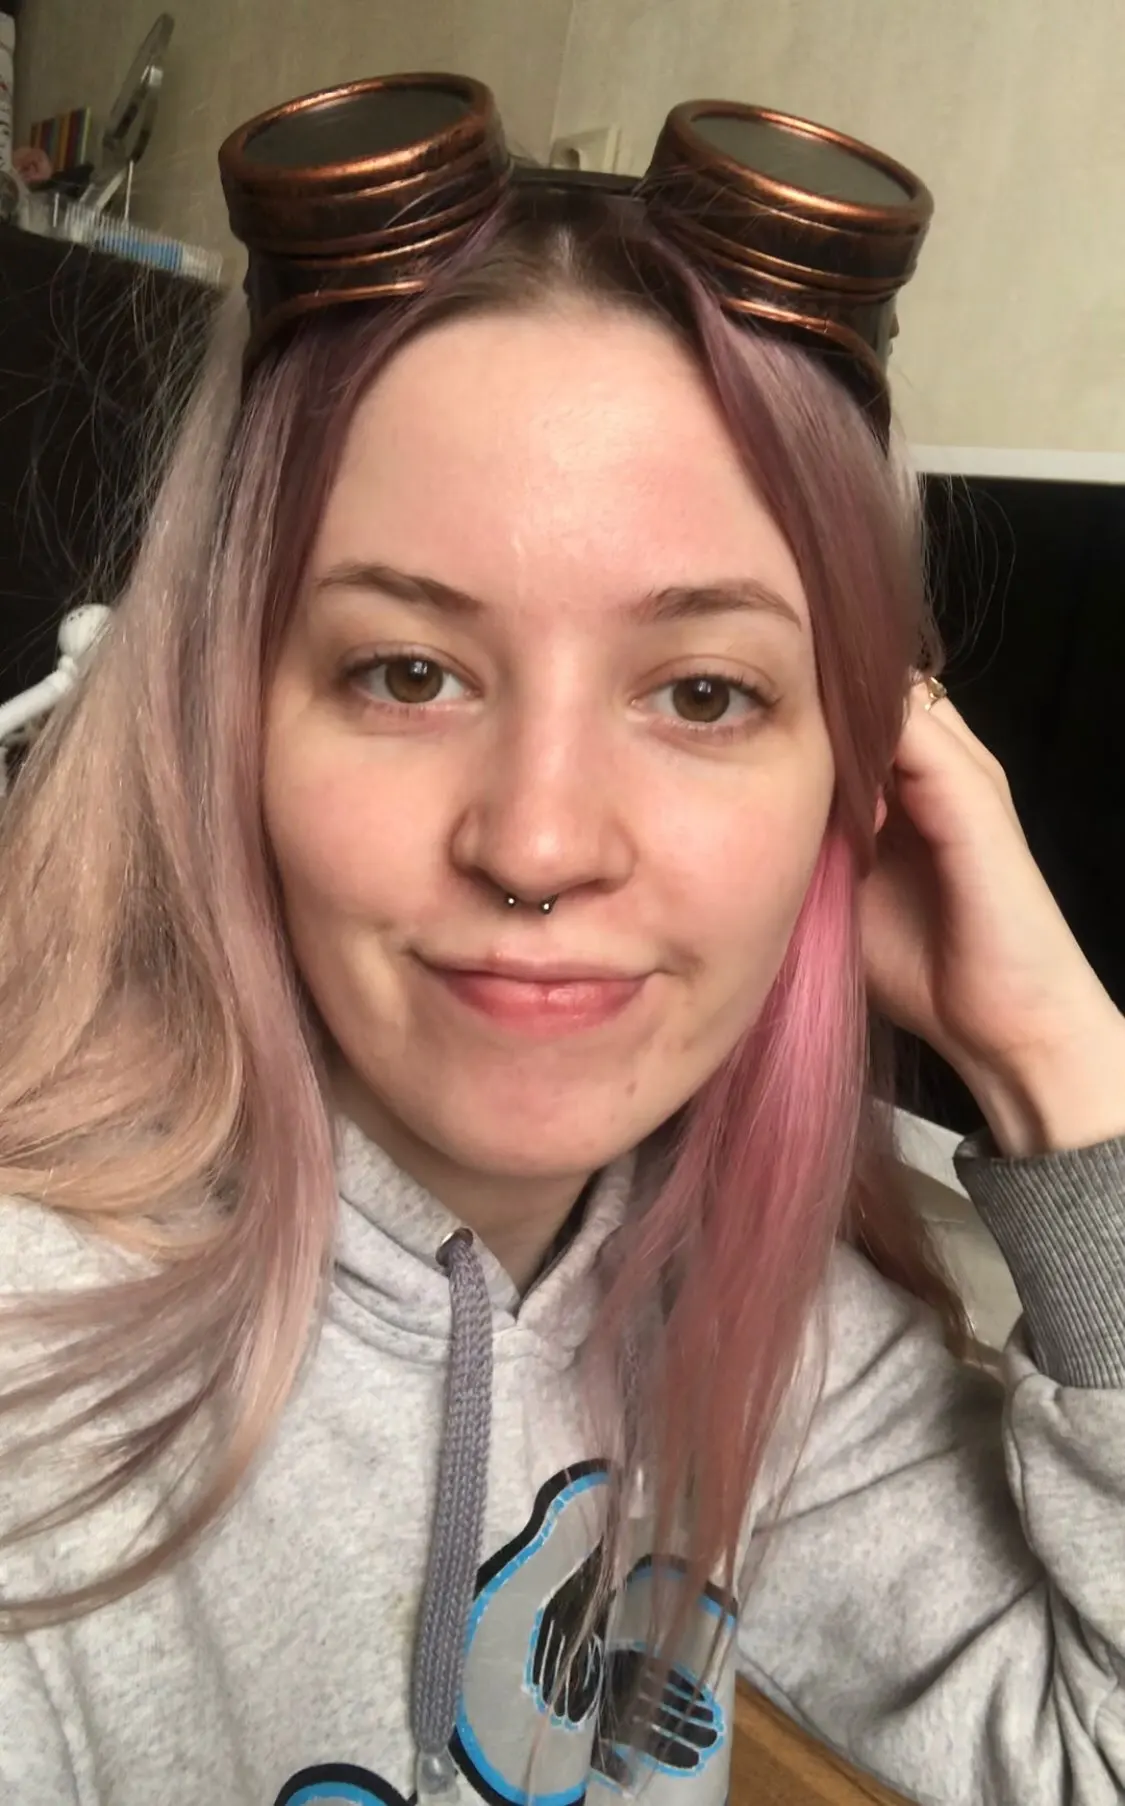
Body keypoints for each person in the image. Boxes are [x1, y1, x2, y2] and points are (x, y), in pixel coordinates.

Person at [0, 75, 1123, 1806]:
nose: (535, 842)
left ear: (862, 777)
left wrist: (1065, 1067)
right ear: (215, 717)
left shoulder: (749, 1320)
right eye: (407, 671)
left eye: (704, 693)